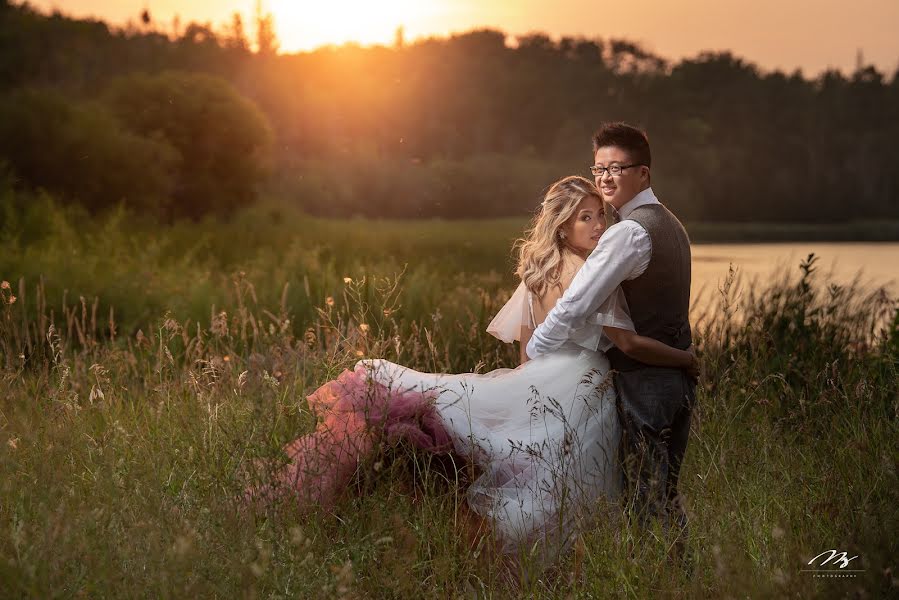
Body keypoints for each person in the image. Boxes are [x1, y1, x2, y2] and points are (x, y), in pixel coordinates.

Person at [245, 175, 697, 574]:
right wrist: (685, 360)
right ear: (563, 226)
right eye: (587, 218)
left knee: (522, 470)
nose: (600, 225)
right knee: (559, 489)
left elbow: (527, 355)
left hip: (541, 379)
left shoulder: (537, 274)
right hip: (581, 386)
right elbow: (628, 343)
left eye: (601, 215)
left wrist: (520, 397)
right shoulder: (590, 273)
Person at [526, 123, 697, 543]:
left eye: (617, 167)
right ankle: (681, 579)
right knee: (665, 496)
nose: (605, 177)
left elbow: (575, 304)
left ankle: (661, 581)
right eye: (599, 167)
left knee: (645, 501)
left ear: (643, 174)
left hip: (644, 387)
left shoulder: (629, 232)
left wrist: (534, 353)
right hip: (677, 385)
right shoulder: (671, 224)